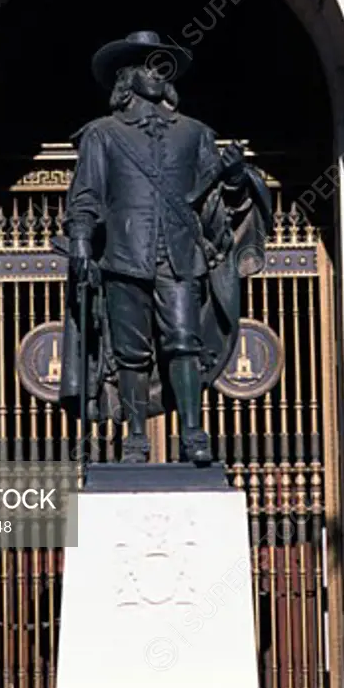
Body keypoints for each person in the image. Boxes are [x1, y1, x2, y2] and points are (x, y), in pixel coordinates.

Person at [59, 30, 271, 464]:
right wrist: (81, 242)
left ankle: (193, 433)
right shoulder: (102, 135)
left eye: (161, 66)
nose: (155, 74)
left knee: (183, 342)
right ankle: (136, 437)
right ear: (126, 76)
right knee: (130, 354)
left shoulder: (194, 133)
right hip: (123, 256)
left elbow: (217, 203)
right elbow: (86, 195)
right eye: (146, 66)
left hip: (179, 257)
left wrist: (233, 177)